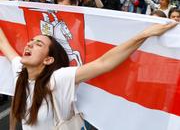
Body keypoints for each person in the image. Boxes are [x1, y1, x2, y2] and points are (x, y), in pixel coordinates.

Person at [0, 21, 177, 130]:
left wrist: (144, 34)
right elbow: (3, 42)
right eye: (30, 41)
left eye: (38, 44)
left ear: (48, 60)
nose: (29, 45)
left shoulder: (59, 79)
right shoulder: (19, 71)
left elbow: (104, 63)